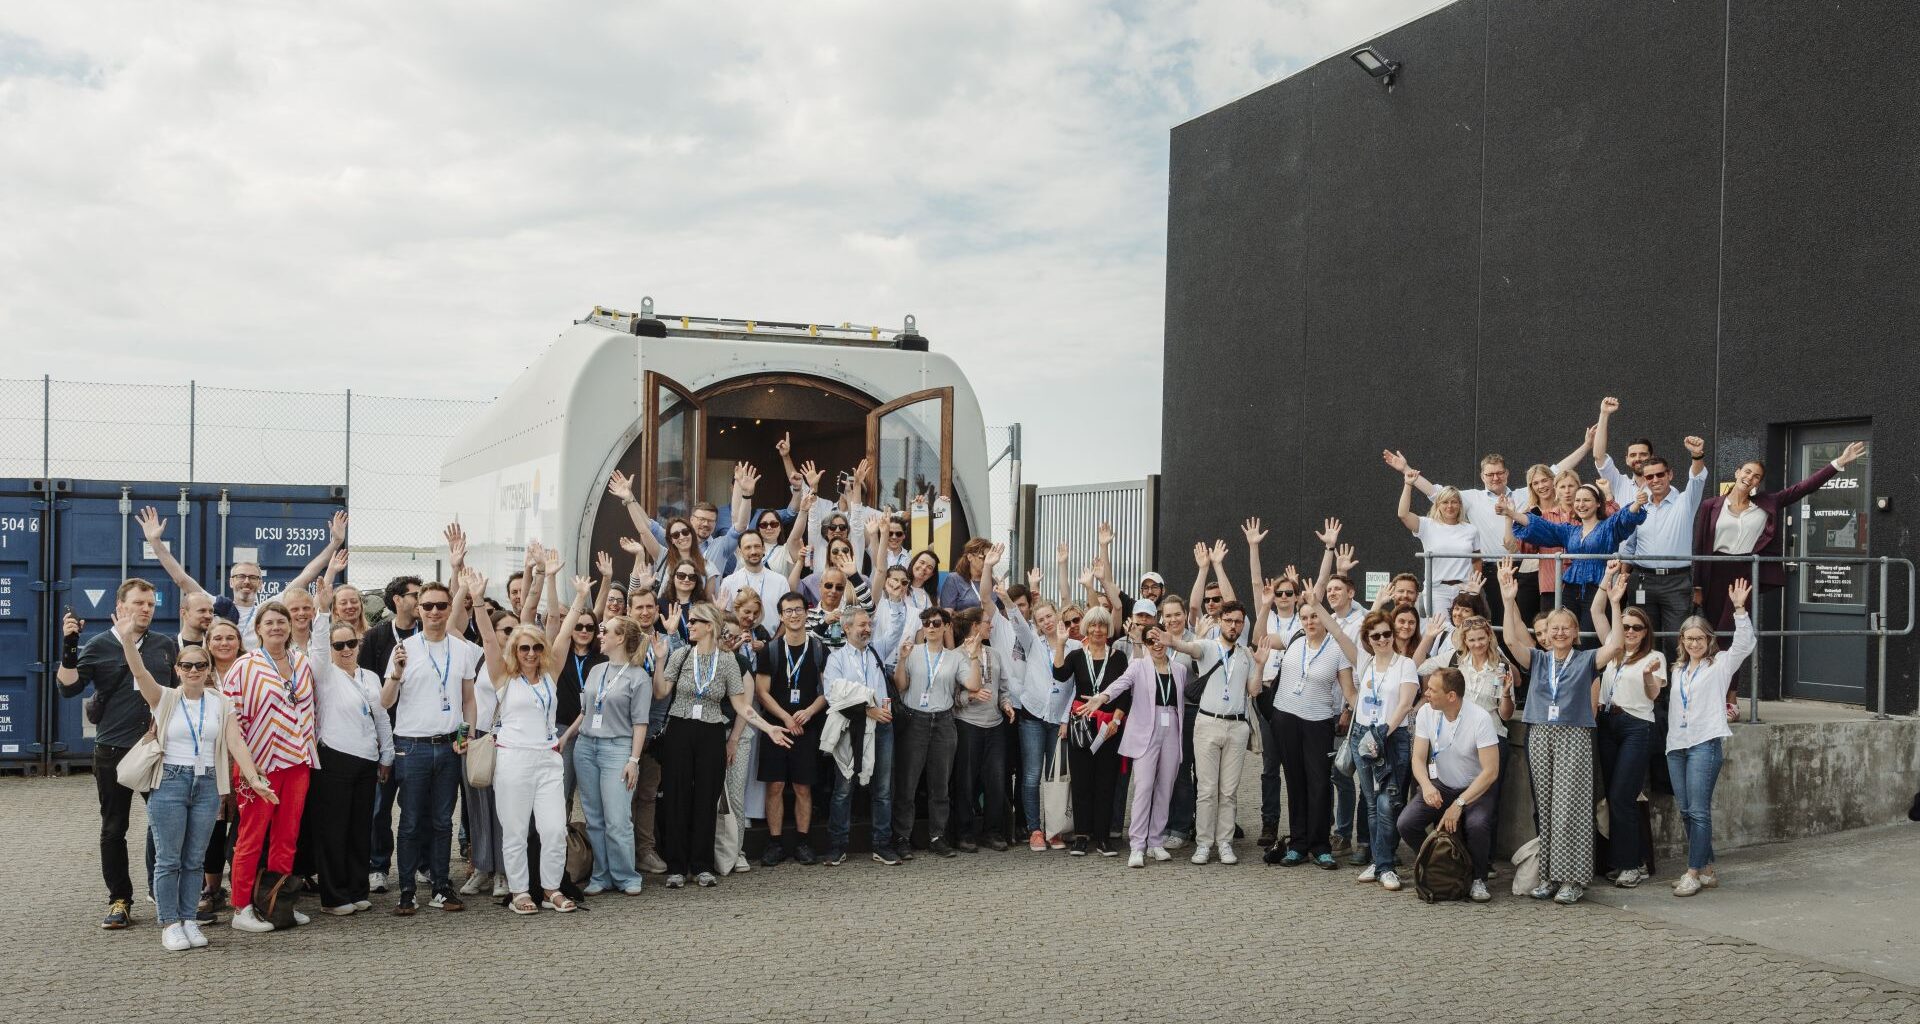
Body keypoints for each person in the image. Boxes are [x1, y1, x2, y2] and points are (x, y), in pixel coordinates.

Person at [112, 612, 275, 950]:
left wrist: (254, 778)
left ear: (208, 669)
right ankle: (170, 923)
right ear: (178, 670)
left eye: (200, 665)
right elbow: (139, 671)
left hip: (207, 786)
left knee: (195, 860)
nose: (194, 671)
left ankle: (189, 919)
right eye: (187, 666)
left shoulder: (221, 702)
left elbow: (235, 742)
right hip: (170, 783)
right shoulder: (164, 698)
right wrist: (128, 640)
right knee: (169, 859)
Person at [1692, 440, 1867, 713]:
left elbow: (1803, 488)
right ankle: (1707, 694)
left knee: (1732, 634)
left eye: (1756, 477)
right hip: (1714, 570)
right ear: (1737, 472)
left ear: (1758, 483)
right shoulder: (1710, 506)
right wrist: (1697, 585)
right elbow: (1699, 545)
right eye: (1747, 472)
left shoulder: (1766, 503)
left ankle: (1731, 698)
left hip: (1744, 574)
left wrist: (1838, 462)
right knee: (1709, 635)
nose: (1750, 478)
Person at [1499, 557, 1628, 905]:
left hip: (1574, 735)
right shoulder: (1538, 660)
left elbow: (1616, 646)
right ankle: (1550, 876)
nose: (1558, 633)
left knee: (1572, 807)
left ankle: (1574, 879)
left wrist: (1616, 605)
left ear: (1574, 633)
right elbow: (1511, 641)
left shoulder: (1585, 659)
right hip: (1540, 733)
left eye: (1565, 628)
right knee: (1548, 807)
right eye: (1552, 629)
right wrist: (1508, 598)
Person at [56, 581, 178, 929]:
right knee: (114, 828)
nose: (146, 609)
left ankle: (168, 895)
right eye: (139, 603)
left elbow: (175, 694)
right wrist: (69, 645)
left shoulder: (164, 645)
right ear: (120, 606)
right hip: (113, 752)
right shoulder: (98, 645)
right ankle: (120, 900)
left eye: (151, 604)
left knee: (166, 825)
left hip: (155, 750)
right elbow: (67, 688)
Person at [653, 602, 791, 888]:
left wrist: (768, 728)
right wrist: (659, 661)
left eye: (694, 621)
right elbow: (661, 692)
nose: (688, 625)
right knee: (677, 797)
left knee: (707, 797)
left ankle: (702, 865)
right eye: (689, 622)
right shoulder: (680, 655)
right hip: (679, 728)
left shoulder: (727, 661)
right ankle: (677, 867)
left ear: (709, 626)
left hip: (712, 731)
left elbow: (742, 706)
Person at [474, 570, 588, 914]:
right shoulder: (502, 677)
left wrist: (579, 596)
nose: (530, 652)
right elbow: (489, 640)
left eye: (537, 646)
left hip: (548, 759)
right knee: (516, 830)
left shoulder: (550, 676)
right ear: (515, 649)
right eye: (524, 647)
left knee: (554, 829)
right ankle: (521, 891)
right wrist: (478, 599)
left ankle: (551, 888)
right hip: (513, 761)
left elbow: (562, 630)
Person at [379, 579, 483, 916]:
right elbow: (384, 701)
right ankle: (407, 889)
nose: (435, 612)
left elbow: (469, 698)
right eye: (428, 606)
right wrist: (395, 673)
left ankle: (441, 885)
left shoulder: (463, 649)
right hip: (412, 746)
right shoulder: (405, 649)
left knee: (443, 821)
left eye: (441, 606)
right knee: (410, 822)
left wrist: (465, 733)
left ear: (449, 607)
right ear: (418, 610)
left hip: (449, 745)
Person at [222, 601, 320, 933]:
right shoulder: (244, 666)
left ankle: (278, 902)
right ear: (259, 629)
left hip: (297, 760)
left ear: (290, 627)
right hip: (260, 763)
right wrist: (247, 767)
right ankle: (241, 908)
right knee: (251, 836)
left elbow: (310, 711)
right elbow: (231, 720)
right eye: (270, 622)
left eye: (282, 621)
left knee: (287, 836)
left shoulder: (302, 663)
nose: (277, 627)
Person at [136, 505, 346, 649]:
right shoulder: (217, 606)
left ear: (260, 583)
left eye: (253, 577)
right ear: (230, 581)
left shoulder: (268, 608)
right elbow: (181, 579)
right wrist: (155, 542)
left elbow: (307, 576)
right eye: (241, 576)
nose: (246, 581)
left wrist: (335, 543)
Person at [1592, 397, 1710, 650]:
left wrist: (1697, 455)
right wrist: (1623, 572)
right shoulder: (1637, 507)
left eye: (1660, 475)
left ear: (1670, 475)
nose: (1655, 480)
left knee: (1677, 640)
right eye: (1649, 476)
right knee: (1643, 640)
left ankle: (1672, 689)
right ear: (1643, 479)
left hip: (1677, 582)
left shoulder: (1685, 501)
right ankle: (1650, 689)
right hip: (1642, 579)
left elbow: (1697, 478)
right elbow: (1629, 543)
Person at [1667, 580, 1756, 896]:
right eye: (1689, 638)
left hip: (1705, 744)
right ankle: (1705, 868)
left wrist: (1739, 609)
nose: (1694, 643)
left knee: (1699, 810)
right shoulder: (1677, 670)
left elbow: (1745, 644)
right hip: (1676, 746)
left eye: (1699, 638)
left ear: (1709, 640)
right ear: (1682, 640)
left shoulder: (1719, 665)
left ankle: (1692, 872)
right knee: (1685, 810)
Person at [1074, 625, 1189, 868]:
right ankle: (1138, 845)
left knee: (1165, 786)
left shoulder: (1179, 669)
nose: (1156, 644)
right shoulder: (1138, 666)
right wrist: (1102, 697)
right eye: (1150, 640)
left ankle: (1155, 841)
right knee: (1144, 786)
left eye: (1160, 639)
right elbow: (1120, 684)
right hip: (1146, 729)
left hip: (1171, 730)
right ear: (1145, 644)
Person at [1264, 582, 1357, 870]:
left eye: (1314, 616)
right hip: (1285, 717)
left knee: (1319, 783)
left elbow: (1349, 691)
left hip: (1318, 721)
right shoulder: (1294, 640)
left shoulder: (1337, 650)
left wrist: (1363, 704)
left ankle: (1321, 846)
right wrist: (1265, 602)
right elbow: (1259, 638)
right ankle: (1298, 844)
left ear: (1323, 617)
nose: (1309, 622)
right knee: (1295, 781)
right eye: (1304, 617)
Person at [307, 620, 393, 916]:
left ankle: (357, 889)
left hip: (367, 758)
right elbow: (317, 649)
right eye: (338, 645)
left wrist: (387, 754)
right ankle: (333, 896)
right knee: (334, 829)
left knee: (359, 828)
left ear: (359, 643)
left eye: (351, 643)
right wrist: (321, 611)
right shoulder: (324, 674)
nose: (346, 650)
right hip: (335, 757)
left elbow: (381, 715)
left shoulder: (369, 676)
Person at [1397, 667, 1503, 903]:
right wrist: (1426, 786)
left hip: (1475, 788)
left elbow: (1491, 771)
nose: (1426, 693)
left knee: (1477, 824)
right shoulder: (1426, 712)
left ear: (1451, 696)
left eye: (1433, 690)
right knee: (1406, 823)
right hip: (1441, 784)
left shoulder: (1480, 718)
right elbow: (1417, 758)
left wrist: (1459, 803)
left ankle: (1478, 879)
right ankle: (1437, 863)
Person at [1163, 600, 1257, 865]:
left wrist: (1259, 663)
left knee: (1228, 790)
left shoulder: (1246, 654)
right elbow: (1186, 646)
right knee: (1206, 788)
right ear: (1221, 621)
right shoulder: (1207, 647)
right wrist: (1169, 639)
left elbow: (1255, 690)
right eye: (1229, 620)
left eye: (1238, 621)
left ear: (1242, 624)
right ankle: (1204, 843)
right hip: (1207, 723)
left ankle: (1224, 843)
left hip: (1237, 726)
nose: (1233, 625)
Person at [572, 612, 657, 895]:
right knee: (594, 818)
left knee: (618, 818)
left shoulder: (639, 677)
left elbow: (640, 723)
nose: (600, 635)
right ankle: (601, 875)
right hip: (586, 747)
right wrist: (564, 737)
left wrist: (633, 760)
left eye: (605, 631)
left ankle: (626, 875)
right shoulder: (596, 670)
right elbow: (585, 711)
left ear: (620, 638)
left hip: (617, 749)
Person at [1417, 615, 1514, 859]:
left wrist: (1506, 695)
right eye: (1472, 639)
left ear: (1490, 637)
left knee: (1487, 803)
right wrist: (1429, 638)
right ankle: (1454, 856)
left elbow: (1506, 715)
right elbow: (1419, 667)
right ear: (1464, 640)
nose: (1478, 644)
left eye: (1482, 638)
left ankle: (1485, 861)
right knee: (1454, 794)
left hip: (1492, 736)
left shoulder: (1502, 667)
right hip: (1457, 736)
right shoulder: (1455, 661)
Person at [1499, 485, 1648, 640]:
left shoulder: (1608, 527)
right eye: (1578, 500)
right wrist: (1510, 513)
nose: (1581, 505)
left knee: (1590, 638)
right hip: (1570, 589)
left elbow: (1623, 519)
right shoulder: (1570, 531)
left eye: (1586, 500)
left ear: (1598, 503)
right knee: (1569, 635)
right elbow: (1542, 526)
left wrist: (1637, 504)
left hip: (1599, 589)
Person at [891, 606, 974, 858]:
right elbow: (900, 685)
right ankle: (902, 837)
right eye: (926, 623)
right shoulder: (912, 651)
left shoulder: (955, 657)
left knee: (940, 785)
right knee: (907, 784)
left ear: (947, 626)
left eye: (937, 623)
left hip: (944, 721)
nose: (931, 627)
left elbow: (972, 685)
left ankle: (937, 836)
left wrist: (974, 658)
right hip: (914, 719)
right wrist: (902, 659)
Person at [1346, 610, 1418, 890]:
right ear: (1368, 639)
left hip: (1391, 736)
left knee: (1389, 802)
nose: (1382, 639)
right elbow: (1339, 635)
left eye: (1387, 633)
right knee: (1372, 803)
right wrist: (1315, 606)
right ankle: (1378, 862)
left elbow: (1405, 703)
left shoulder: (1405, 665)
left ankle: (1386, 865)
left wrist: (1384, 731)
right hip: (1362, 736)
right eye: (1375, 635)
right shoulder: (1365, 664)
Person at [1051, 606, 1129, 857]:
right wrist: (1061, 645)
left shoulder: (1118, 657)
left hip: (1109, 727)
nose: (1097, 630)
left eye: (1102, 625)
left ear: (1108, 629)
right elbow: (1060, 675)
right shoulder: (1076, 654)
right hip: (1081, 725)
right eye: (1093, 625)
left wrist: (1116, 722)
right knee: (1082, 782)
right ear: (1086, 628)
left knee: (1106, 782)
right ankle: (1082, 836)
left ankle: (1103, 837)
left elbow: (1125, 693)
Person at [758, 593, 830, 866]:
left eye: (798, 609)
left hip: (808, 729)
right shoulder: (771, 650)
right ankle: (775, 843)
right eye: (787, 611)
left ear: (806, 612)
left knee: (803, 787)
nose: (794, 615)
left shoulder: (819, 649)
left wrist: (809, 712)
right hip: (776, 728)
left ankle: (803, 842)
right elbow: (762, 693)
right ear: (780, 616)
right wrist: (787, 719)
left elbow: (827, 690)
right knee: (775, 786)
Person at [823, 607, 897, 865]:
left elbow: (897, 627)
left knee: (883, 789)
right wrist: (868, 710)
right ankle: (837, 845)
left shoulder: (877, 650)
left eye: (869, 624)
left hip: (883, 727)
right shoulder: (837, 658)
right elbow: (833, 694)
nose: (867, 629)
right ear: (846, 628)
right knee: (843, 788)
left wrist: (896, 600)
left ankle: (882, 844)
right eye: (861, 625)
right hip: (851, 728)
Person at [949, 597, 1016, 853]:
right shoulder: (955, 656)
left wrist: (1006, 704)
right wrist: (970, 696)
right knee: (965, 780)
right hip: (967, 725)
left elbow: (1003, 688)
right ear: (975, 626)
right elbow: (952, 696)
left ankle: (993, 831)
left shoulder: (995, 654)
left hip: (995, 726)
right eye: (987, 622)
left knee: (996, 780)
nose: (991, 626)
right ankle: (964, 833)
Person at [1250, 570, 1305, 849]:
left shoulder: (1303, 621)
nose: (1283, 597)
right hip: (1269, 693)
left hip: (1296, 695)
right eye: (1279, 593)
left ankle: (1302, 825)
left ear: (1296, 598)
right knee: (1270, 766)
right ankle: (1269, 823)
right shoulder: (1268, 616)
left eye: (1288, 593)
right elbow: (1258, 639)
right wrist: (1264, 604)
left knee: (1297, 766)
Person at [196, 619, 246, 921]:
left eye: (230, 637)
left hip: (246, 757)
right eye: (217, 638)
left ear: (239, 641)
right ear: (208, 643)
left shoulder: (252, 669)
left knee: (243, 828)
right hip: (210, 757)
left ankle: (243, 887)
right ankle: (210, 889)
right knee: (212, 827)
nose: (224, 643)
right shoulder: (198, 671)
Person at [1393, 469, 1481, 615]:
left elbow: (1476, 559)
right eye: (1445, 502)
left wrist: (1475, 585)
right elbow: (1403, 514)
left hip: (1464, 589)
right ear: (1438, 505)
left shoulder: (1471, 530)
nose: (1450, 506)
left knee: (1465, 631)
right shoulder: (1427, 525)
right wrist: (1408, 485)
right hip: (1437, 591)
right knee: (1440, 632)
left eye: (1454, 502)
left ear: (1460, 505)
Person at [717, 529, 789, 632]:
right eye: (748, 547)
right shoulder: (729, 582)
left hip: (773, 644)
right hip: (739, 644)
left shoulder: (781, 581)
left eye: (757, 546)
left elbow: (786, 618)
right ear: (740, 551)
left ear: (763, 549)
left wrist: (772, 645)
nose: (753, 551)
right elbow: (726, 619)